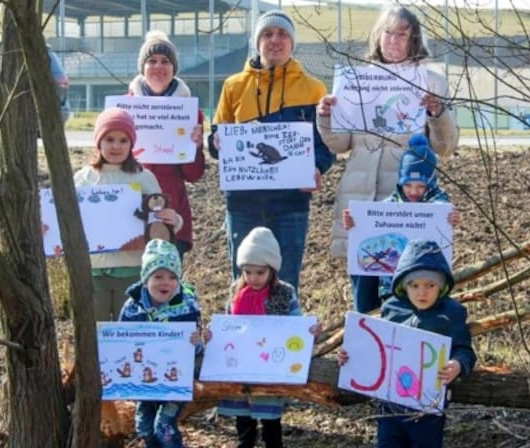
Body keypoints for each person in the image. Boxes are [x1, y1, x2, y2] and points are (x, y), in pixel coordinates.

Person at [316, 5, 459, 300]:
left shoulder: (431, 83)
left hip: (409, 209)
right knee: (365, 298)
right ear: (377, 37)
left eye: (402, 35)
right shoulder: (356, 81)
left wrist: (437, 113)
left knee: (407, 297)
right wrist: (326, 116)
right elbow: (339, 144)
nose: (393, 40)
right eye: (388, 33)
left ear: (414, 39)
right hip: (362, 207)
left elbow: (445, 147)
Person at [207, 9, 335, 291]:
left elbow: (326, 144)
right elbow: (217, 138)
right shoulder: (233, 86)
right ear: (257, 41)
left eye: (282, 34)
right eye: (267, 33)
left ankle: (284, 334)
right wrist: (215, 142)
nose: (274, 40)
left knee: (286, 282)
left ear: (292, 43)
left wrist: (318, 167)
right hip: (243, 202)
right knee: (242, 281)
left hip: (290, 203)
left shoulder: (314, 89)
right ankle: (243, 333)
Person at [338, 239, 476, 448]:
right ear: (403, 285)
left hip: (428, 406)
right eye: (415, 285)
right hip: (389, 404)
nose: (422, 292)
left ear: (441, 286)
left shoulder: (451, 312)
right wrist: (350, 356)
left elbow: (464, 350)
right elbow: (375, 347)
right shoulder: (391, 308)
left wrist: (457, 364)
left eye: (430, 285)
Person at [208, 227, 319, 448]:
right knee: (244, 422)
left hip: (271, 368)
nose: (253, 278)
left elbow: (295, 324)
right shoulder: (236, 293)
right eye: (247, 272)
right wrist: (213, 335)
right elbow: (228, 325)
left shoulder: (284, 294)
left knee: (270, 422)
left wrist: (310, 332)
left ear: (272, 270)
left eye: (259, 272)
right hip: (241, 367)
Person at [74, 107, 183, 322]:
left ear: (132, 144)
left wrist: (174, 221)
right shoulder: (82, 179)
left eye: (124, 140)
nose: (116, 146)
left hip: (132, 269)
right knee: (95, 331)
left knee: (130, 331)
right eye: (109, 139)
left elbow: (158, 219)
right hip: (93, 271)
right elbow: (67, 222)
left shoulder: (144, 178)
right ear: (98, 142)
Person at [342, 133, 461, 313]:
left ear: (431, 183)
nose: (413, 191)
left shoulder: (438, 203)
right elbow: (370, 223)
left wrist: (452, 218)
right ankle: (364, 315)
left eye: (421, 186)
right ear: (400, 182)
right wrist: (355, 222)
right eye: (408, 185)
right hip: (389, 284)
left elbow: (442, 212)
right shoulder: (391, 204)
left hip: (422, 281)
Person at [119, 239, 203, 448]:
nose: (165, 282)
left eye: (172, 277)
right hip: (144, 379)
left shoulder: (188, 304)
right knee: (144, 427)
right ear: (146, 278)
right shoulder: (132, 306)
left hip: (177, 377)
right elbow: (121, 342)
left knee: (163, 426)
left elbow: (198, 346)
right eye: (158, 276)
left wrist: (196, 342)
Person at [129, 30, 205, 260]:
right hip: (132, 213)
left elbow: (193, 175)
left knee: (167, 287)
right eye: (151, 61)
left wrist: (196, 147)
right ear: (142, 67)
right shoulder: (123, 112)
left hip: (172, 212)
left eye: (165, 61)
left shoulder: (190, 112)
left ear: (174, 68)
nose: (158, 66)